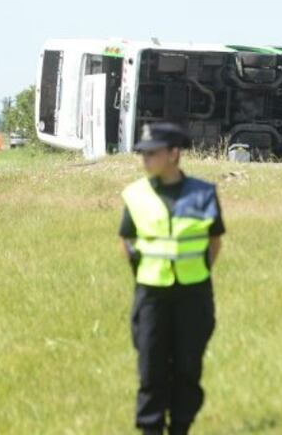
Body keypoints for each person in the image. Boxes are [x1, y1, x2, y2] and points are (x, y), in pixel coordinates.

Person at [118, 122, 225, 435]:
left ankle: (181, 426)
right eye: (142, 153)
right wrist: (143, 273)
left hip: (194, 293)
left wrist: (198, 271)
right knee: (150, 368)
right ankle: (151, 429)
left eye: (152, 153)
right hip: (151, 294)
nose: (145, 159)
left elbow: (214, 241)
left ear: (174, 154)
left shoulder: (203, 193)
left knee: (188, 367)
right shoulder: (135, 194)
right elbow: (126, 240)